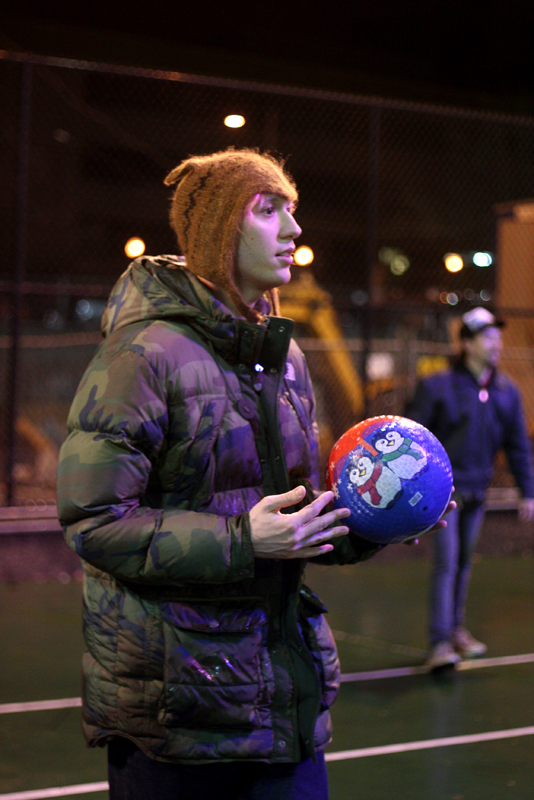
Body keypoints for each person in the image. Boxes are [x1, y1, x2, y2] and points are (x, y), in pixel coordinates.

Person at [57, 148, 449, 800]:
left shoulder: (283, 356)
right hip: (178, 721)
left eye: (293, 211)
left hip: (278, 704)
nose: (294, 230)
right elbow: (94, 520)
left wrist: (376, 516)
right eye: (269, 211)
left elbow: (293, 514)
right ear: (218, 230)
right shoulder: (143, 355)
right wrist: (244, 540)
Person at [406, 306, 534, 670]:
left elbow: (517, 445)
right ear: (466, 343)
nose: (496, 344)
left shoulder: (506, 391)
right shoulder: (437, 386)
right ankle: (440, 643)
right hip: (444, 498)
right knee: (447, 564)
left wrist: (528, 491)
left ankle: (456, 632)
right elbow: (413, 441)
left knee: (463, 564)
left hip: (478, 495)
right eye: (486, 337)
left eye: (498, 336)